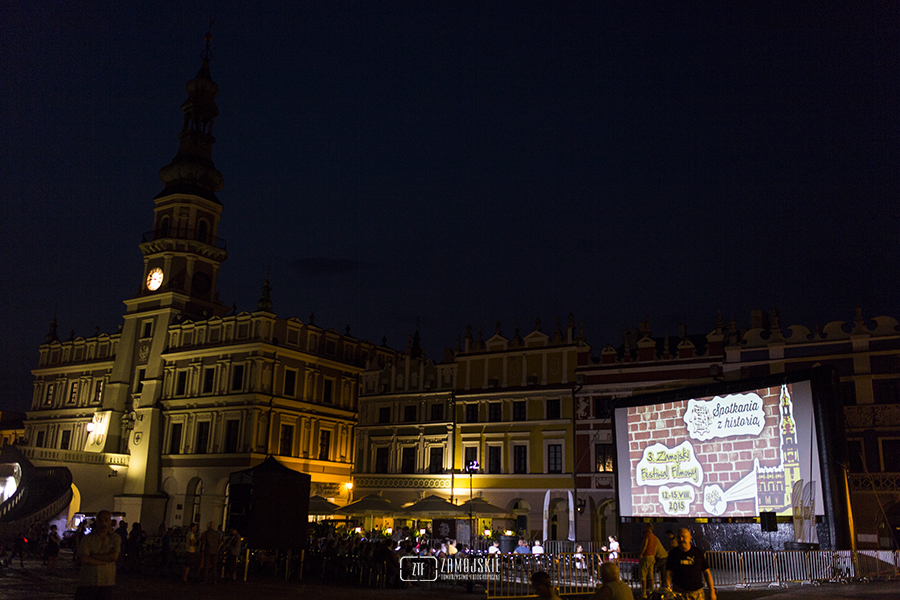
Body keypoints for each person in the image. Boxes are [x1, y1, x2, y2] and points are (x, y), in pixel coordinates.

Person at [75, 509, 121, 600]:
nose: (103, 522)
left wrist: (92, 556)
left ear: (110, 522)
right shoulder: (88, 538)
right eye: (100, 520)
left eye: (106, 519)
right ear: (96, 522)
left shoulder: (115, 538)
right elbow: (84, 558)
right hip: (88, 580)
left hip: (106, 580)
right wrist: (106, 561)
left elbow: (114, 556)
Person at [664, 529, 716, 600]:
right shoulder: (673, 554)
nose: (681, 539)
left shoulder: (697, 553)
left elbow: (706, 572)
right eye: (679, 537)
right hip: (680, 593)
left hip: (698, 594)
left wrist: (712, 591)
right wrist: (668, 589)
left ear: (690, 538)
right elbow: (668, 573)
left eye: (683, 537)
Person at [638, 523, 661, 598]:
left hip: (646, 556)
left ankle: (644, 592)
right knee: (650, 574)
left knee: (643, 574)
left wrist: (641, 553)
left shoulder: (647, 535)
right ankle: (652, 590)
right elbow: (655, 547)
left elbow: (645, 544)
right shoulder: (654, 537)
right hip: (652, 556)